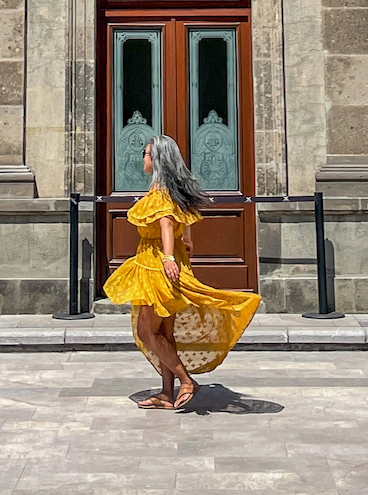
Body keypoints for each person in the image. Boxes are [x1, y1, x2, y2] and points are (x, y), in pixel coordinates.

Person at [103, 133, 259, 412]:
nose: (143, 158)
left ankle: (186, 382)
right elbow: (186, 237)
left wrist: (165, 257)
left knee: (146, 331)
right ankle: (166, 392)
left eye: (147, 153)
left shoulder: (160, 194)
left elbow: (165, 224)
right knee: (164, 333)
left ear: (158, 160)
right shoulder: (174, 195)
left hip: (154, 266)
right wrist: (178, 250)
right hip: (167, 264)